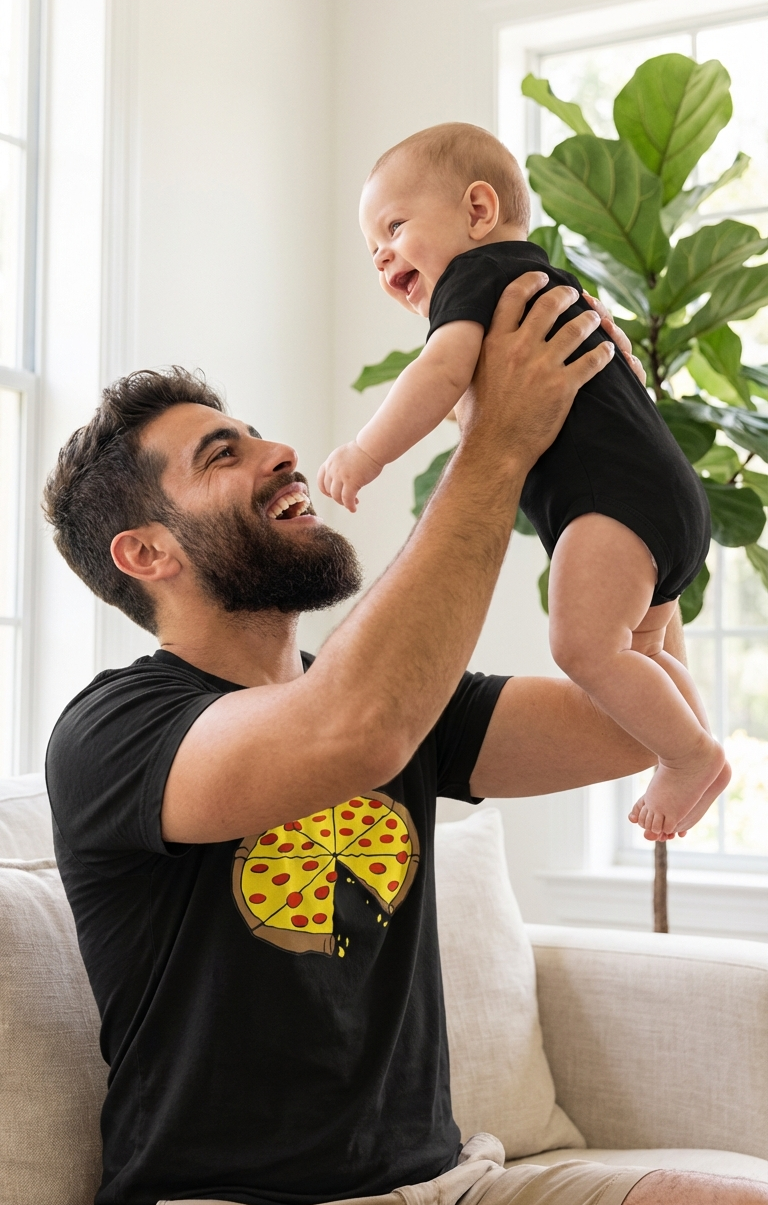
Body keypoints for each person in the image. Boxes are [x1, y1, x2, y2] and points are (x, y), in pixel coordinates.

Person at [43, 279, 762, 1205]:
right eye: (225, 454)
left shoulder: (407, 703)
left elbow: (641, 727)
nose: (281, 452)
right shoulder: (114, 731)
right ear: (146, 553)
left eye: (257, 432)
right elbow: (355, 729)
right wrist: (496, 439)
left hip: (448, 1182)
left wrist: (626, 476)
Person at [318, 123, 729, 843]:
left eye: (394, 226)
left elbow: (437, 374)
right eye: (370, 247)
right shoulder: (547, 281)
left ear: (478, 211)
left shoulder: (474, 278)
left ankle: (692, 753)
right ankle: (689, 744)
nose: (381, 254)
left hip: (610, 506)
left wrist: (365, 451)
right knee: (642, 655)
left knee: (581, 648)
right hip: (670, 499)